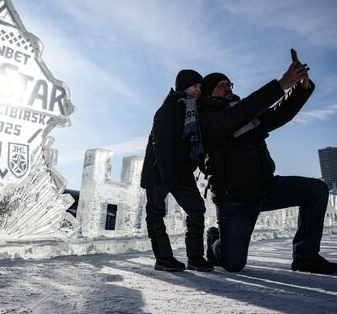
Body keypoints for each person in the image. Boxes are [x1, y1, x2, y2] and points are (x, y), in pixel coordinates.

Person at [199, 60, 337, 274]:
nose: (228, 88)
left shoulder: (244, 111)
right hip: (235, 200)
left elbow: (277, 115)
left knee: (316, 190)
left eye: (229, 84)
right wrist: (282, 84)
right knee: (233, 263)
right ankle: (215, 240)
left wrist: (301, 89)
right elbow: (236, 117)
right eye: (221, 85)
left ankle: (305, 256)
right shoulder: (207, 116)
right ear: (208, 92)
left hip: (265, 187)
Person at [140, 69, 213, 272]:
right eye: (194, 86)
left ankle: (196, 258)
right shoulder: (169, 109)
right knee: (156, 214)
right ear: (183, 87)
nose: (198, 90)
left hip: (182, 172)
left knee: (197, 209)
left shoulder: (194, 112)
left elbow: (192, 144)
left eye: (200, 87)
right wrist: (168, 176)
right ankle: (164, 259)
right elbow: (160, 144)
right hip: (159, 172)